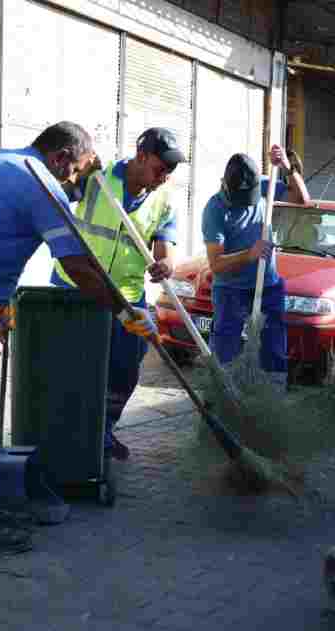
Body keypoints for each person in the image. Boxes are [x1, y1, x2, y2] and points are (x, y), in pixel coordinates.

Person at [0, 121, 157, 555]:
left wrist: (1, 303)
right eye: (76, 174)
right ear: (60, 158)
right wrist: (125, 312)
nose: (75, 187)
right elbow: (80, 267)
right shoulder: (42, 183)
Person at [51, 127, 185, 461]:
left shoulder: (164, 201)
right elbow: (56, 194)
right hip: (77, 287)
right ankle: (63, 435)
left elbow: (164, 250)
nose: (165, 177)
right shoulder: (98, 177)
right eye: (161, 168)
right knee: (70, 367)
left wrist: (165, 265)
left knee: (125, 369)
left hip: (126, 297)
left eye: (170, 171)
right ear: (142, 157)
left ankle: (103, 431)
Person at [201, 146, 310, 390]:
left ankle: (273, 396)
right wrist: (249, 254)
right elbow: (216, 265)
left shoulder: (262, 186)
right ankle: (223, 395)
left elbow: (303, 199)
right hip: (231, 290)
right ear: (226, 186)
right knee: (225, 347)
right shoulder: (214, 210)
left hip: (268, 285)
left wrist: (285, 166)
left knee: (273, 347)